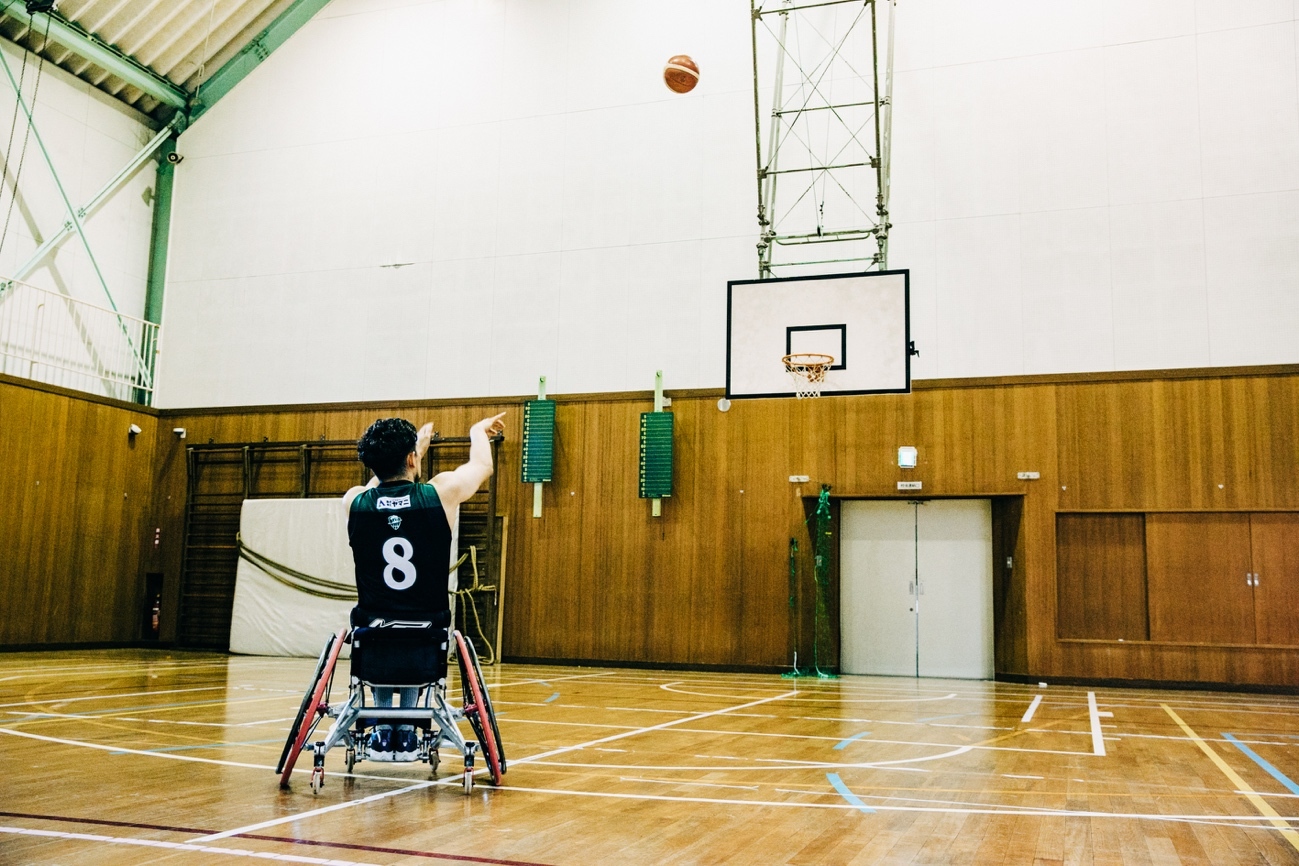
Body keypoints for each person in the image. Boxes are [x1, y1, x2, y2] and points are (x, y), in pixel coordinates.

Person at [343, 412, 506, 760]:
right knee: (418, 638)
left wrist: (409, 453)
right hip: (427, 629)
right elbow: (481, 466)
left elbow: (381, 489)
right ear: (412, 458)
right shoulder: (440, 493)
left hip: (372, 631)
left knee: (380, 639)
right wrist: (478, 431)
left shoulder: (354, 501)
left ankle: (384, 728)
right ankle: (406, 727)